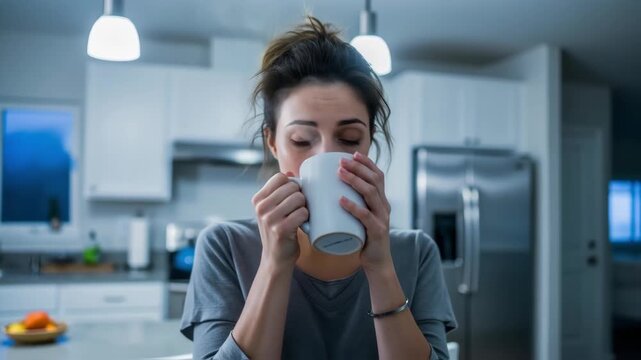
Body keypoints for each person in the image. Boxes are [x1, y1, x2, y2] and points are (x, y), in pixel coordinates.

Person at [180, 16, 457, 360]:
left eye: (349, 138)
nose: (327, 155)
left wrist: (381, 267)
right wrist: (274, 265)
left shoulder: (415, 253)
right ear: (273, 142)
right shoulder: (225, 247)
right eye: (301, 140)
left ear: (369, 141)